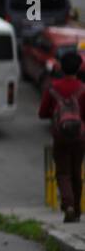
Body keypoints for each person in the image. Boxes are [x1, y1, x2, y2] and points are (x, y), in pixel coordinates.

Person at [39, 49, 85, 223]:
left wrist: (55, 113)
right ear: (79, 68)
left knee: (63, 173)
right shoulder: (82, 89)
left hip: (60, 136)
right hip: (80, 137)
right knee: (76, 173)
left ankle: (69, 206)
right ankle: (78, 211)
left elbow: (42, 112)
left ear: (60, 67)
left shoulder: (53, 89)